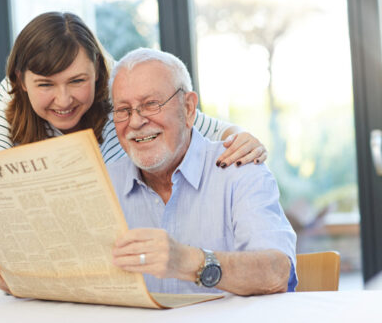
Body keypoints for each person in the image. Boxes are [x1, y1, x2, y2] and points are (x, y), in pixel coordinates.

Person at [0, 11, 270, 292]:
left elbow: (187, 118)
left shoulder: (119, 94)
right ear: (22, 82)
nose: (63, 99)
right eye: (46, 85)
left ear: (98, 73)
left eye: (77, 81)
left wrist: (240, 137)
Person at [107, 48, 297, 295]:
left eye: (151, 104)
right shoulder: (103, 183)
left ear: (188, 108)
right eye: (123, 109)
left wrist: (189, 262)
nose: (135, 121)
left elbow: (277, 274)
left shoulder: (240, 169)